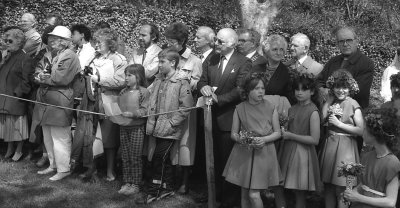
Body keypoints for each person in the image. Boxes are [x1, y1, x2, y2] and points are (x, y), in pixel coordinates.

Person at [198, 28, 251, 207]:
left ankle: (229, 199)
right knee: (212, 158)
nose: (216, 44)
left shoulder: (244, 62)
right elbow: (202, 80)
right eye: (216, 40)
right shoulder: (211, 58)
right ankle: (214, 194)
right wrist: (203, 88)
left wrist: (218, 99)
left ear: (232, 44)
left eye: (221, 41)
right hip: (208, 117)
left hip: (229, 119)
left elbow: (240, 89)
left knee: (228, 160)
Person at [137, 48, 193, 204]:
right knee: (164, 159)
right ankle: (167, 187)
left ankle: (154, 191)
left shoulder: (182, 81)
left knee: (158, 158)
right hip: (155, 126)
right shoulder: (158, 79)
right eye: (158, 61)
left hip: (169, 128)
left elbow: (186, 106)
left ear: (173, 62)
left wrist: (172, 122)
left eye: (162, 62)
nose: (159, 65)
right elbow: (148, 96)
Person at [222, 73, 282, 208]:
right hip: (245, 153)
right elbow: (233, 134)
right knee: (244, 193)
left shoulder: (271, 107)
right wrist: (243, 139)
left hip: (263, 152)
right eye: (256, 88)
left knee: (253, 194)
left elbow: (278, 133)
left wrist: (264, 139)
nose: (261, 91)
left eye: (262, 88)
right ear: (247, 91)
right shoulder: (239, 108)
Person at [33, 26, 81, 181]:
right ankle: (53, 165)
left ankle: (64, 168)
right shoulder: (50, 54)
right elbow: (36, 72)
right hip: (45, 99)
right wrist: (41, 76)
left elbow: (61, 78)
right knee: (47, 134)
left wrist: (43, 78)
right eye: (51, 37)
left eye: (55, 38)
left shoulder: (69, 55)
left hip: (60, 99)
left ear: (64, 41)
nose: (51, 40)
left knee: (60, 136)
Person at [164, 22, 202, 194]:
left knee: (186, 144)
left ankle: (185, 181)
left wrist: (179, 79)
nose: (169, 44)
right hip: (167, 108)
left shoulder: (194, 60)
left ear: (183, 41)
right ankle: (169, 179)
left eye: (172, 41)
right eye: (168, 40)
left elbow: (195, 83)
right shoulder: (165, 55)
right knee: (169, 143)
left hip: (186, 109)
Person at [274, 73, 322, 208]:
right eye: (297, 89)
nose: (299, 92)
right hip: (287, 150)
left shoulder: (313, 111)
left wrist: (291, 136)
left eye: (304, 89)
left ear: (312, 92)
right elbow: (287, 130)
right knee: (278, 185)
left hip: (303, 154)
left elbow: (314, 139)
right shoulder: (292, 108)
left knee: (299, 191)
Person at [319, 70, 364, 208]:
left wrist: (339, 124)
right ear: (332, 87)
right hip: (330, 145)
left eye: (344, 87)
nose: (341, 90)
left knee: (342, 187)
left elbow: (361, 130)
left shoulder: (353, 103)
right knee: (328, 187)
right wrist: (329, 101)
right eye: (337, 87)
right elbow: (322, 119)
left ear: (350, 88)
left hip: (345, 148)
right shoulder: (332, 101)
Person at [90, 28, 128, 181]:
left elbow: (121, 81)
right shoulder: (94, 57)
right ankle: (93, 169)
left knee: (110, 137)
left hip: (111, 101)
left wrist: (98, 80)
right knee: (93, 134)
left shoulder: (119, 59)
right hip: (93, 99)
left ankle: (110, 170)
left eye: (99, 42)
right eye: (95, 42)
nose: (96, 45)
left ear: (109, 44)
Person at [344, 108, 400, 208]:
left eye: (365, 129)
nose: (363, 132)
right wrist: (352, 193)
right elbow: (363, 185)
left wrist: (358, 198)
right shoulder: (367, 156)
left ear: (374, 134)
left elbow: (391, 202)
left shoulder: (392, 163)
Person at [317, 27, 374, 109]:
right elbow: (319, 80)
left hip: (353, 112)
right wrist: (321, 90)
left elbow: (359, 92)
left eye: (349, 40)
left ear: (356, 41)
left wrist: (329, 93)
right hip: (328, 110)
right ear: (337, 44)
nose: (345, 44)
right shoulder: (332, 61)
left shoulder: (366, 63)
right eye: (341, 41)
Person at [0, 26, 33, 161]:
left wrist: (17, 94)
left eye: (10, 41)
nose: (7, 43)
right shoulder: (7, 57)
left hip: (16, 99)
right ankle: (9, 149)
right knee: (7, 125)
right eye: (6, 41)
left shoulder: (25, 58)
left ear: (19, 42)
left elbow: (27, 81)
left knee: (17, 126)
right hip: (4, 97)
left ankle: (19, 150)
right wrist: (2, 60)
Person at [117, 64, 150, 195]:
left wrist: (133, 114)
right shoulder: (123, 91)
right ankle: (127, 182)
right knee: (125, 156)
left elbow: (145, 109)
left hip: (137, 128)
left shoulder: (144, 92)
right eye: (126, 75)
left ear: (138, 76)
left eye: (129, 75)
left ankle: (136, 184)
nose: (126, 78)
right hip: (123, 128)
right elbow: (118, 107)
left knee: (135, 156)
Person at [252, 34, 293, 103]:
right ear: (266, 51)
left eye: (282, 49)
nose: (278, 53)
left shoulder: (289, 73)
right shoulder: (256, 69)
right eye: (275, 49)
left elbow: (290, 100)